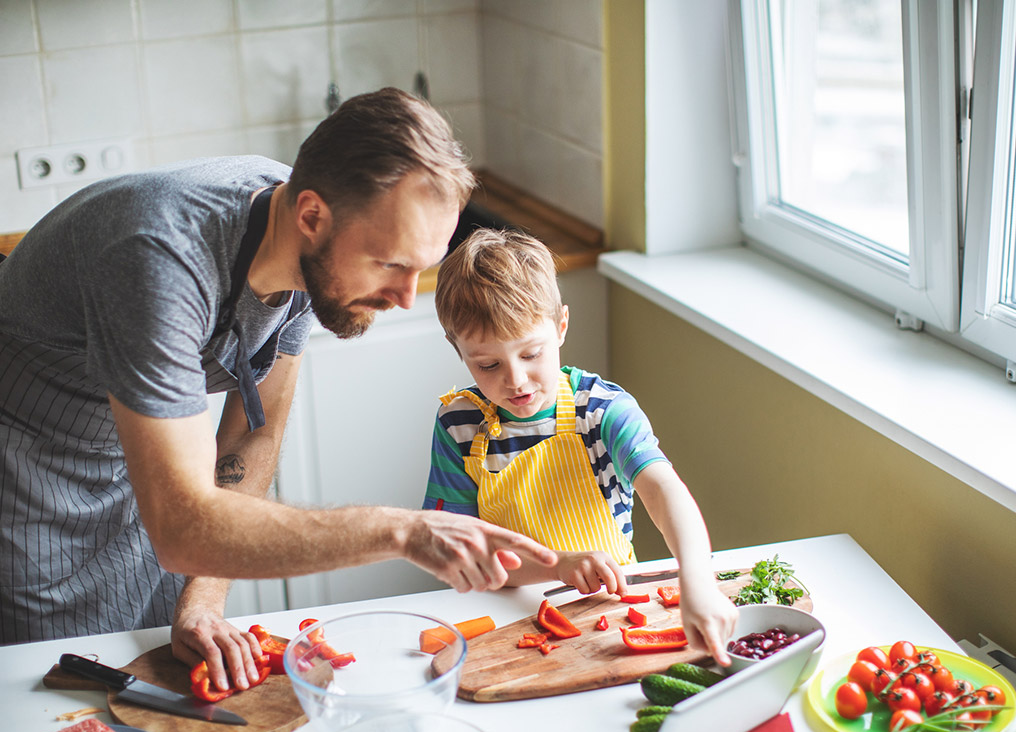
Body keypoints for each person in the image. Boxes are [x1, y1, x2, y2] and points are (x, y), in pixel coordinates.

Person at [0, 88, 557, 692]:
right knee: (57, 693)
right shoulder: (157, 262)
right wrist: (406, 531)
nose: (404, 297)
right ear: (312, 217)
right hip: (30, 473)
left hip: (143, 463)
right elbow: (184, 527)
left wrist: (203, 603)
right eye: (390, 265)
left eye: (419, 267)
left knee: (155, 668)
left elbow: (253, 430)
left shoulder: (307, 242)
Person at [423, 228, 737, 663]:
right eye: (488, 364)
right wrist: (558, 566)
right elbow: (455, 549)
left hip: (611, 608)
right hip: (505, 618)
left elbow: (664, 491)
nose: (515, 380)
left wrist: (697, 581)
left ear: (561, 327)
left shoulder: (602, 410)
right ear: (457, 350)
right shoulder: (457, 425)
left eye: (531, 354)